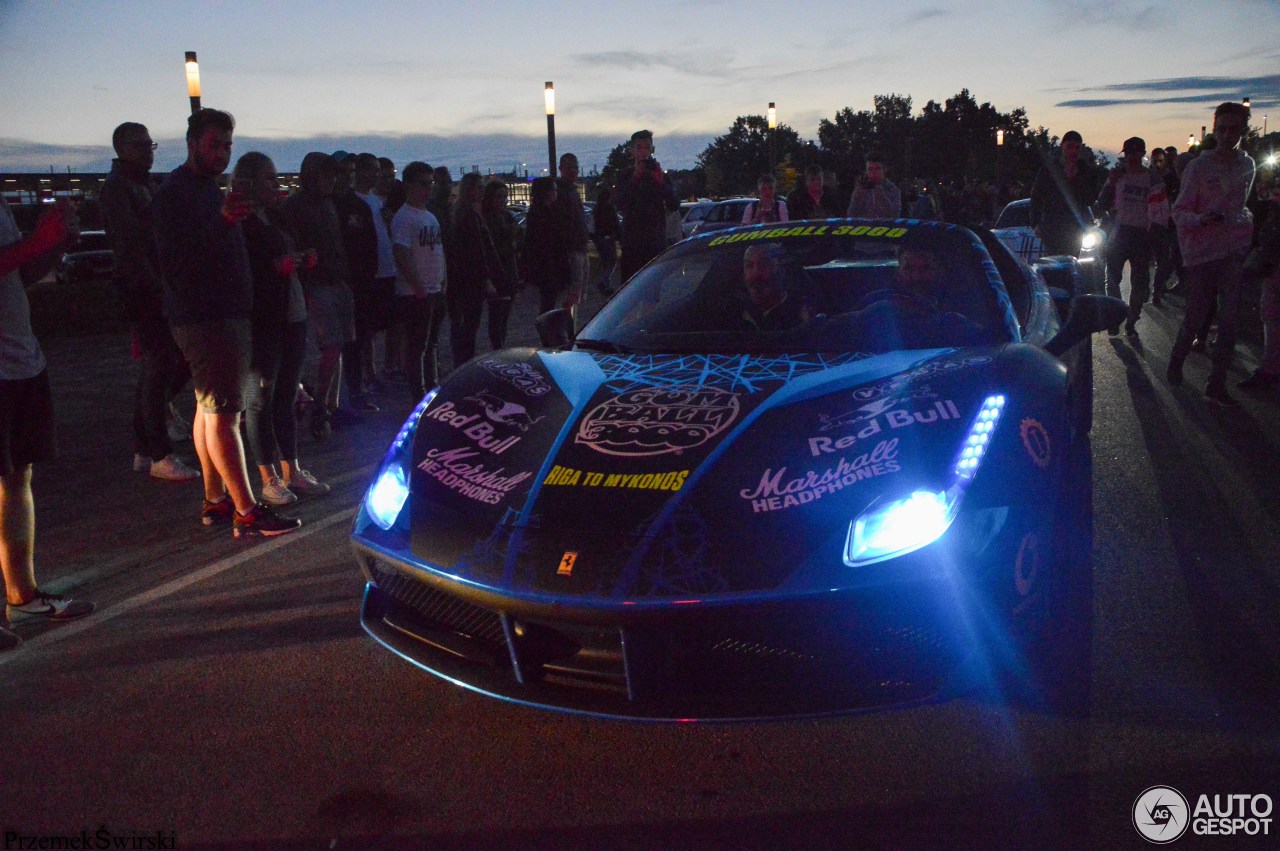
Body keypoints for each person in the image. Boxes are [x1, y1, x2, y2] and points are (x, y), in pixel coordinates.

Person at [151, 108, 300, 537]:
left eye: (228, 145)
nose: (222, 152)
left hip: (220, 314)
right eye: (215, 143)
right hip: (207, 317)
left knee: (207, 408)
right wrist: (222, 222)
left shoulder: (206, 189)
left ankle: (215, 499)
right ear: (192, 142)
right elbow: (176, 263)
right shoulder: (176, 194)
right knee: (224, 415)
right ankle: (247, 509)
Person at [1, 196, 95, 649]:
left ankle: (22, 595)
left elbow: (16, 273)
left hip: (21, 358)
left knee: (19, 478)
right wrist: (37, 239)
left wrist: (53, 247)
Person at [99, 121, 198, 482]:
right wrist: (156, 287)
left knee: (166, 368)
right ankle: (158, 452)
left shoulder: (141, 185)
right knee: (163, 366)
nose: (147, 150)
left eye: (149, 144)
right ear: (121, 147)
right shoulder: (119, 189)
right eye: (139, 145)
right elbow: (131, 248)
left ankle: (147, 447)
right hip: (146, 290)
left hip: (155, 286)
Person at [234, 151, 331, 508]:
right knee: (260, 398)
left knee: (287, 394)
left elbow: (283, 260)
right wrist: (277, 266)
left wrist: (300, 260)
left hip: (292, 312)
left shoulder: (276, 217)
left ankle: (292, 468)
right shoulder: (242, 223)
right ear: (249, 183)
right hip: (265, 318)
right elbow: (244, 271)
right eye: (269, 179)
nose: (276, 185)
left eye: (276, 178)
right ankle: (267, 476)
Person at [1166, 102, 1257, 406]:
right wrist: (1201, 219)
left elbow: (1243, 205)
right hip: (1201, 253)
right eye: (1222, 129)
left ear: (1244, 129)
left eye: (1235, 128)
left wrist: (1243, 231)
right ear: (1215, 130)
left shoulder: (1247, 165)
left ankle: (1216, 384)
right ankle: (1176, 361)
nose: (1228, 135)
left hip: (1232, 250)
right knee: (1196, 316)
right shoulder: (1199, 167)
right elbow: (1179, 210)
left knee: (1229, 319)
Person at [284, 151, 357, 438]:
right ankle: (320, 408)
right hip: (317, 283)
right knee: (331, 346)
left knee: (338, 345)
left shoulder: (328, 204)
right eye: (326, 174)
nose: (332, 179)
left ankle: (329, 405)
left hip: (337, 280)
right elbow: (291, 243)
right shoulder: (296, 206)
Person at [390, 162, 447, 401]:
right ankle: (419, 394)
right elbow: (401, 254)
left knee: (431, 343)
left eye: (430, 183)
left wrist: (444, 281)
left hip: (434, 289)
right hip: (416, 294)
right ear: (409, 185)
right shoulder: (404, 218)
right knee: (417, 346)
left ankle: (432, 388)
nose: (429, 188)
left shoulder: (430, 216)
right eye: (423, 183)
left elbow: (438, 250)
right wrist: (417, 288)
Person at [1096, 136, 1162, 336]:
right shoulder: (1117, 176)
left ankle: (1132, 319)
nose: (1131, 158)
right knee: (1112, 277)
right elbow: (1102, 202)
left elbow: (1160, 209)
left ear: (1142, 154)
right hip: (1119, 230)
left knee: (1140, 282)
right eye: (1128, 154)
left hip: (1142, 233)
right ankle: (1114, 316)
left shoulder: (1152, 179)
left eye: (1135, 153)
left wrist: (1157, 236)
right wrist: (1111, 184)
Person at [329, 151, 380, 413]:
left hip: (358, 284)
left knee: (356, 341)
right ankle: (331, 402)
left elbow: (370, 245)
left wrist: (368, 278)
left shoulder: (359, 207)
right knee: (332, 346)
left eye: (351, 171)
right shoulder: (325, 204)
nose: (347, 177)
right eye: (342, 172)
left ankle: (355, 393)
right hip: (329, 283)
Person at [353, 153, 397, 393]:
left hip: (386, 270)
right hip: (370, 275)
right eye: (371, 169)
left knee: (384, 326)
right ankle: (367, 372)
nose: (376, 175)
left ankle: (382, 368)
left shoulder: (377, 201)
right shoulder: (354, 201)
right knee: (367, 329)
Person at [448, 172, 500, 367]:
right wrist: (486, 278)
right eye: (479, 188)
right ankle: (464, 365)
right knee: (469, 327)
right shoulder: (469, 217)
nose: (482, 191)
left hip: (464, 279)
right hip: (470, 280)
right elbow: (477, 250)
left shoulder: (464, 214)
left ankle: (462, 362)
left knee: (466, 327)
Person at [615, 130, 679, 285]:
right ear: (632, 151)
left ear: (652, 150)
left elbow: (674, 204)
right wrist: (635, 178)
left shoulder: (660, 176)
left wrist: (660, 182)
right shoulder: (624, 176)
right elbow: (619, 202)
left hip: (655, 242)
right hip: (632, 243)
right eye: (639, 148)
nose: (643, 152)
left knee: (653, 290)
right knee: (629, 291)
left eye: (647, 147)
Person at [1238, 181, 1280, 391]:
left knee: (1272, 315)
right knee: (1270, 315)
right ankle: (1270, 367)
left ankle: (1270, 370)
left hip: (1274, 260)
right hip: (1272, 260)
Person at [1029, 130, 1096, 257]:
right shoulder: (1049, 170)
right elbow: (1036, 197)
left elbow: (1090, 198)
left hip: (1074, 227)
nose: (1073, 151)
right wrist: (1035, 223)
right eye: (1069, 147)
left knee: (1070, 262)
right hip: (1052, 225)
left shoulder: (1086, 172)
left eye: (1077, 148)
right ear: (1062, 147)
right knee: (1052, 262)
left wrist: (1077, 177)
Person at [523, 176, 571, 314]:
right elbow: (546, 242)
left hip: (550, 265)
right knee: (549, 303)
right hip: (549, 266)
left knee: (550, 302)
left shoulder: (544, 211)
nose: (556, 192)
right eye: (554, 189)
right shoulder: (542, 213)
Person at [554, 153, 591, 326]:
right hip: (573, 249)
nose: (573, 171)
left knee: (577, 292)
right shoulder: (561, 192)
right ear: (561, 169)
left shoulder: (572, 191)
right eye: (570, 167)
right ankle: (567, 327)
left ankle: (570, 326)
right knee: (572, 292)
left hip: (580, 247)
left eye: (575, 167)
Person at [482, 181, 520, 350]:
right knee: (497, 315)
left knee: (504, 316)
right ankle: (497, 347)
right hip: (497, 269)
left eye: (505, 196)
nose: (502, 200)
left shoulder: (507, 216)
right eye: (498, 196)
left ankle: (501, 345)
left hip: (509, 269)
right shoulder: (487, 219)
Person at [738, 244, 805, 331]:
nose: (755, 274)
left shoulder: (800, 310)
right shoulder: (730, 309)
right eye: (749, 265)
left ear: (782, 270)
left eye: (764, 264)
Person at [846, 151, 902, 219]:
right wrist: (857, 198)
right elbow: (850, 216)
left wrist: (881, 196)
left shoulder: (893, 190)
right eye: (870, 169)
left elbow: (894, 216)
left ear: (884, 170)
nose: (873, 172)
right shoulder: (861, 188)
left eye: (877, 169)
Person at [591, 184, 619, 295]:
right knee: (612, 261)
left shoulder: (596, 208)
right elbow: (614, 223)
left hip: (598, 238)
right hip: (608, 238)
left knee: (605, 261)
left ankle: (606, 283)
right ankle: (605, 282)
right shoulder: (610, 208)